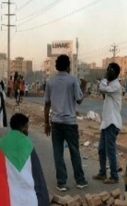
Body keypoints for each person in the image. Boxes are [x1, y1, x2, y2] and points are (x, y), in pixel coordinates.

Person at [44, 54, 88, 191]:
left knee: (58, 153)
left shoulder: (51, 82)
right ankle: (80, 180)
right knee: (74, 151)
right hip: (70, 123)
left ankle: (61, 182)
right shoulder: (73, 80)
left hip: (56, 123)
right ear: (68, 66)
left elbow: (47, 105)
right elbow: (79, 100)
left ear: (57, 66)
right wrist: (84, 86)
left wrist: (46, 123)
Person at [92, 63, 123, 184]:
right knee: (101, 149)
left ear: (114, 72)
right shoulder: (111, 85)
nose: (107, 72)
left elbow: (102, 88)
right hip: (106, 122)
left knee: (110, 150)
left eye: (108, 70)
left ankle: (114, 176)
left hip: (112, 122)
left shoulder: (116, 86)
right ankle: (103, 172)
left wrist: (104, 79)